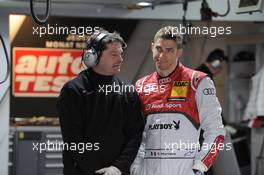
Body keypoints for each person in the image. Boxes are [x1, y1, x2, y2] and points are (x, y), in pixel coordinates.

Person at [131, 26, 226, 175]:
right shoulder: (141, 85)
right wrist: (136, 166)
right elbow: (135, 134)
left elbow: (216, 130)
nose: (162, 56)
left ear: (179, 51)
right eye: (159, 49)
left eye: (169, 50)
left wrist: (201, 165)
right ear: (152, 48)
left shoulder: (198, 82)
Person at [57, 29, 144, 175]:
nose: (120, 59)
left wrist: (117, 168)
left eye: (121, 54)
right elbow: (73, 140)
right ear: (93, 56)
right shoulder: (73, 91)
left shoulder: (128, 92)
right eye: (114, 54)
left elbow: (135, 136)